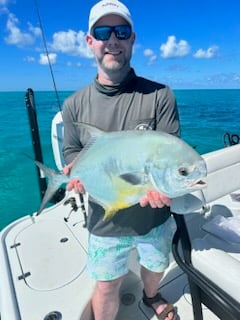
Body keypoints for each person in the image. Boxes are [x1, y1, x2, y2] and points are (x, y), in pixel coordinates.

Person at [62, 1, 180, 319]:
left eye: (121, 31)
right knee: (105, 287)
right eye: (103, 32)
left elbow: (171, 153)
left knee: (155, 267)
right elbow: (72, 151)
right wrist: (73, 171)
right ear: (91, 41)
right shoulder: (74, 105)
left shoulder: (160, 96)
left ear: (132, 39)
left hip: (153, 218)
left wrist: (166, 186)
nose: (112, 39)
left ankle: (150, 296)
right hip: (104, 220)